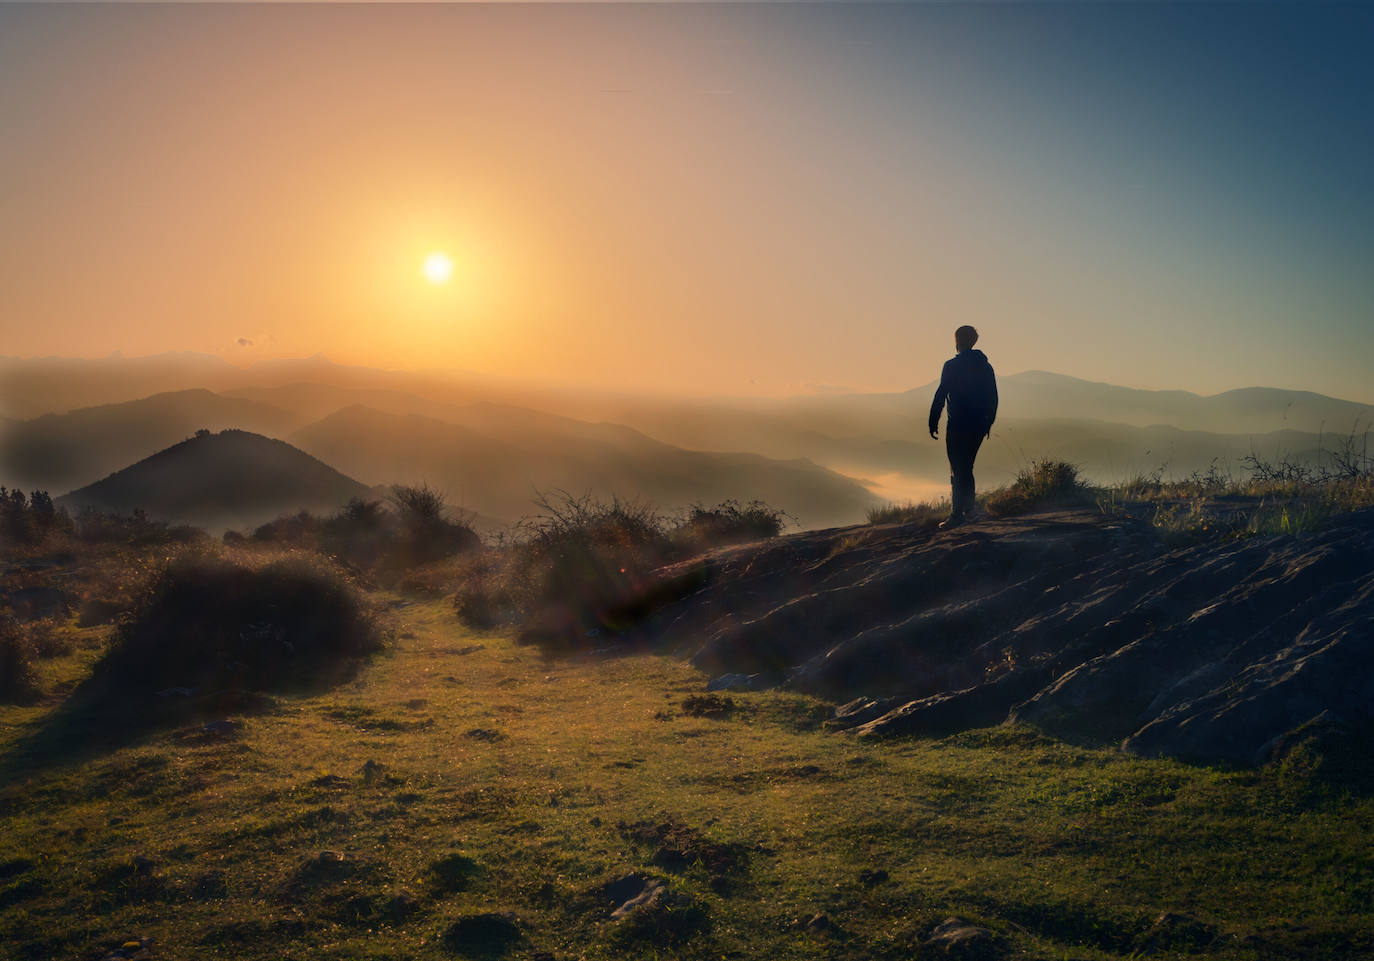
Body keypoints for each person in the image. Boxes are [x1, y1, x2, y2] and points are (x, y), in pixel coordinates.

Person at [928, 325, 997, 528]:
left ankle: (958, 516)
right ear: (974, 341)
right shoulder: (985, 367)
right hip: (978, 424)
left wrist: (933, 420)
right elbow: (993, 397)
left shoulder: (952, 366)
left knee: (958, 468)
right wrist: (988, 423)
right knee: (966, 467)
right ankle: (970, 511)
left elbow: (941, 394)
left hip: (957, 424)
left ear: (957, 341)